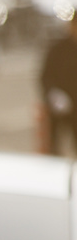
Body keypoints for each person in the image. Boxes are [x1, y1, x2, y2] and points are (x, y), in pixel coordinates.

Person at [41, 15, 77, 155]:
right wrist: (53, 94)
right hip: (61, 105)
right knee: (55, 146)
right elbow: (46, 76)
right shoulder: (58, 49)